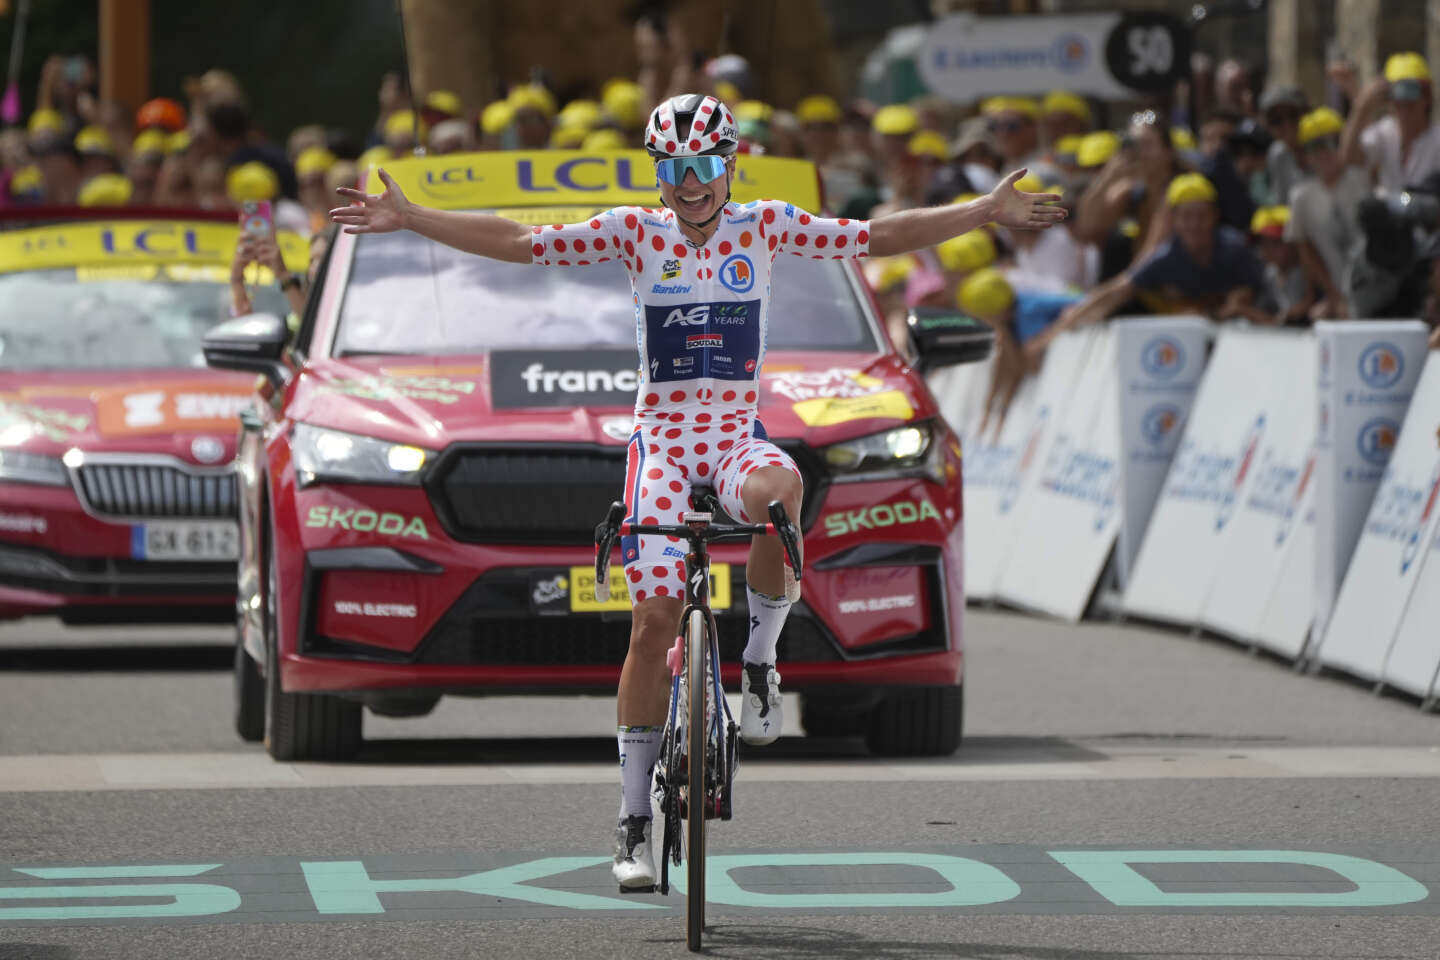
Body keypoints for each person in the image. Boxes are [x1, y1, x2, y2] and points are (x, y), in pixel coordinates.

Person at [329, 92, 1064, 892]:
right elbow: (518, 240)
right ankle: (633, 817)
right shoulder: (634, 232)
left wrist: (985, 210)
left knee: (783, 489)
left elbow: (879, 235)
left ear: (728, 166)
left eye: (705, 167)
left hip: (735, 439)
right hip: (663, 447)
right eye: (676, 169)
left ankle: (759, 661)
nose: (691, 184)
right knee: (651, 624)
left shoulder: (767, 226)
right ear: (660, 173)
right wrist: (414, 217)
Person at [1027, 172, 1263, 364]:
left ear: (1215, 216)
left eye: (1202, 215)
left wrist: (1210, 313)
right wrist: (1053, 334)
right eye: (1186, 216)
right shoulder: (1167, 256)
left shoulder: (1234, 248)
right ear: (1174, 220)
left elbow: (1245, 301)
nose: (1195, 225)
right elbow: (1115, 293)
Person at [1287, 107, 1369, 319]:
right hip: (1341, 290)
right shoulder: (1301, 197)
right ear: (1304, 155)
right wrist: (1331, 294)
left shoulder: (1362, 178)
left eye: (1330, 143)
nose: (1323, 153)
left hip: (1378, 281)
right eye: (1314, 147)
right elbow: (1305, 250)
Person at [1340, 52, 1440, 193]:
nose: (1403, 106)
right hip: (1389, 214)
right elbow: (1350, 158)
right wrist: (1362, 106)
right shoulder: (1385, 132)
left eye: (1411, 96)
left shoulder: (1436, 140)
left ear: (1427, 98)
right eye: (1396, 95)